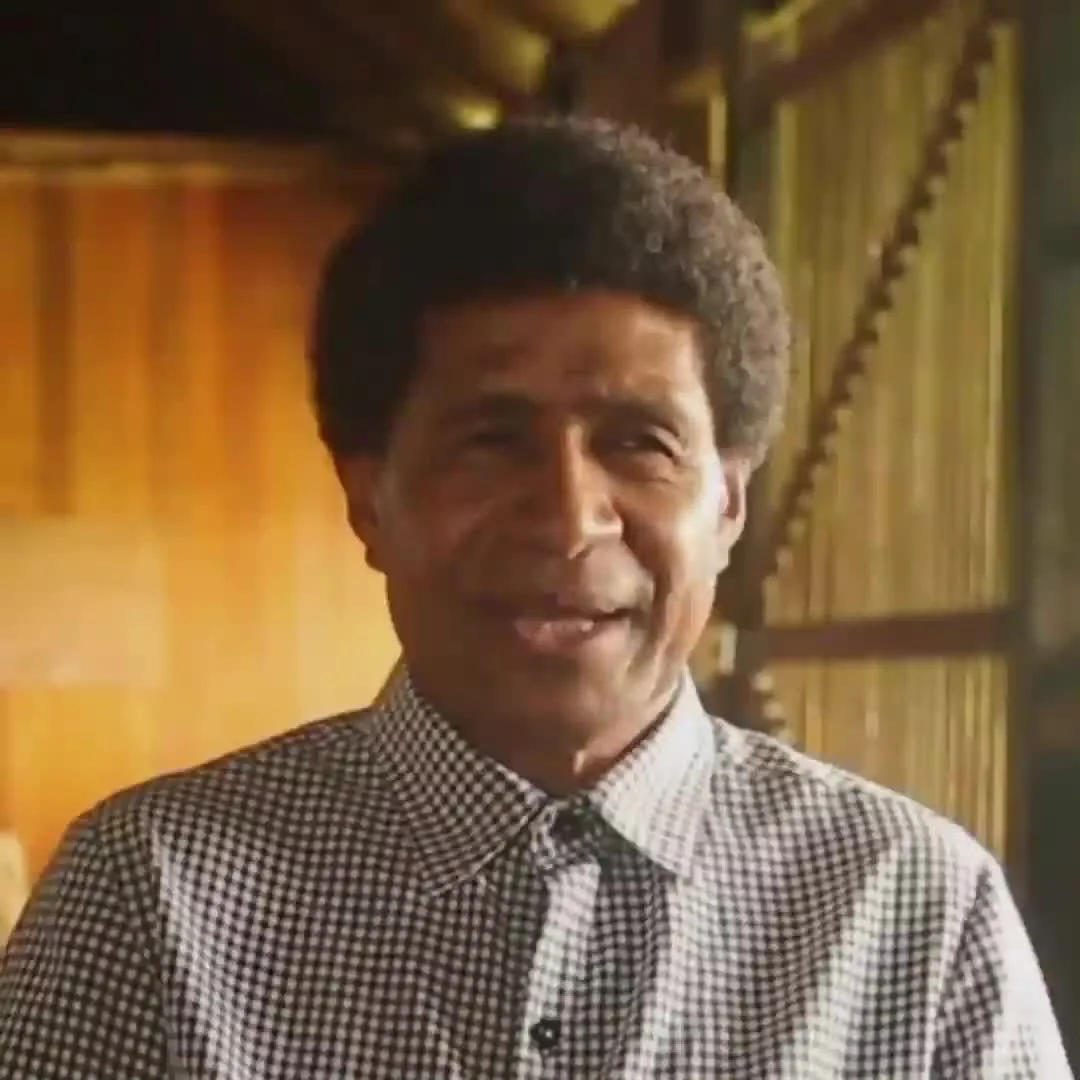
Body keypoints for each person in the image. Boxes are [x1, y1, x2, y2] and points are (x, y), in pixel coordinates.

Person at [0, 116, 1070, 1079]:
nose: (566, 520)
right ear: (369, 498)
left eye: (638, 442)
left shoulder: (914, 915)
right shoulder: (150, 898)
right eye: (490, 441)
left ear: (729, 505)